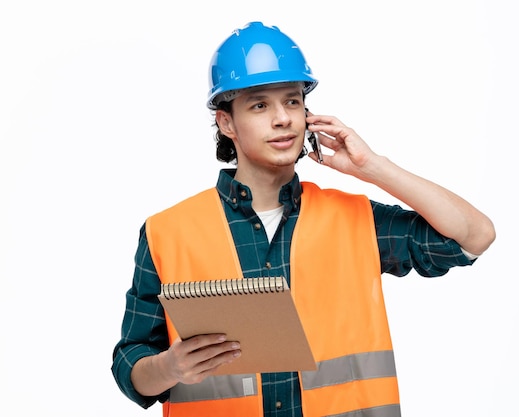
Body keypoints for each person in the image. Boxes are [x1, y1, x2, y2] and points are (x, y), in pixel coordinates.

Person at [111, 21, 496, 417]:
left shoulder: (356, 220)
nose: (283, 119)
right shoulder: (168, 232)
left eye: (292, 101)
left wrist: (374, 167)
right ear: (226, 123)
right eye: (260, 105)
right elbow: (130, 365)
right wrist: (168, 367)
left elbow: (475, 236)